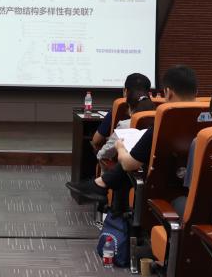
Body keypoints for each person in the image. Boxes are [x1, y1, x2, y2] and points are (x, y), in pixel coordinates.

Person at [66, 66, 198, 202]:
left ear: (168, 93)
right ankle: (100, 184)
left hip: (165, 192)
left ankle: (101, 185)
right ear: (196, 92)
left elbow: (129, 164)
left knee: (128, 159)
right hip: (195, 190)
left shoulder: (164, 125)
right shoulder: (207, 122)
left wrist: (120, 148)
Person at [94, 72, 156, 159]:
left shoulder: (124, 124)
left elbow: (97, 142)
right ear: (149, 94)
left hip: (126, 165)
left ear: (125, 91)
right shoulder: (159, 122)